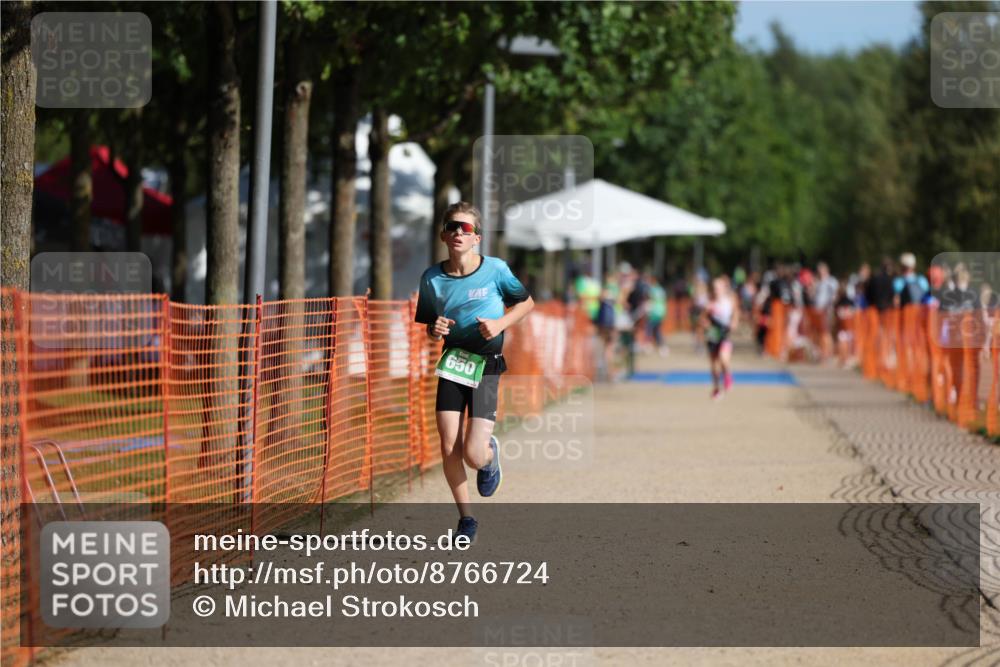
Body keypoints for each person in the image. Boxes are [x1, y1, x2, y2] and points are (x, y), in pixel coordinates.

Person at [414, 202, 534, 543]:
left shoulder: (495, 270)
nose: (458, 233)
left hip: (487, 364)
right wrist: (434, 330)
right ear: (442, 235)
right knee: (448, 443)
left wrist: (499, 323)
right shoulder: (431, 278)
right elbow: (429, 328)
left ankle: (489, 458)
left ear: (477, 238)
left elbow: (527, 303)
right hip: (453, 363)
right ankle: (466, 519)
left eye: (466, 228)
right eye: (452, 226)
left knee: (472, 453)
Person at [701, 275, 739, 399]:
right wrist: (705, 323)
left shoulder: (730, 300)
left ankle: (727, 375)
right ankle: (716, 388)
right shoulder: (710, 303)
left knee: (724, 358)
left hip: (725, 333)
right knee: (714, 364)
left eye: (718, 287)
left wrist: (734, 322)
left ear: (724, 288)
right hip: (713, 334)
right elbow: (703, 318)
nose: (716, 289)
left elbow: (736, 313)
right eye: (714, 287)